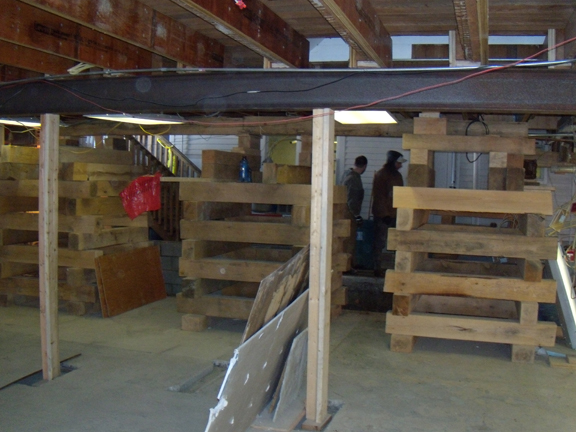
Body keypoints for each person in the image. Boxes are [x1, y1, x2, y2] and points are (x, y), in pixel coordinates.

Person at [372, 150, 406, 277]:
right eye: (398, 163)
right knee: (380, 242)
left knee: (394, 242)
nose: (400, 165)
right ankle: (378, 267)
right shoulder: (381, 175)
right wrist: (384, 214)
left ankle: (392, 267)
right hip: (383, 216)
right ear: (392, 162)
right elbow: (379, 196)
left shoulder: (397, 176)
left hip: (395, 214)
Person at [341, 155, 368, 273]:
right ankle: (347, 266)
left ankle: (349, 264)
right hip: (349, 214)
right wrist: (356, 215)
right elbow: (351, 199)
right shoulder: (353, 179)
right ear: (365, 166)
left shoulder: (347, 175)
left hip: (346, 213)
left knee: (348, 241)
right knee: (349, 242)